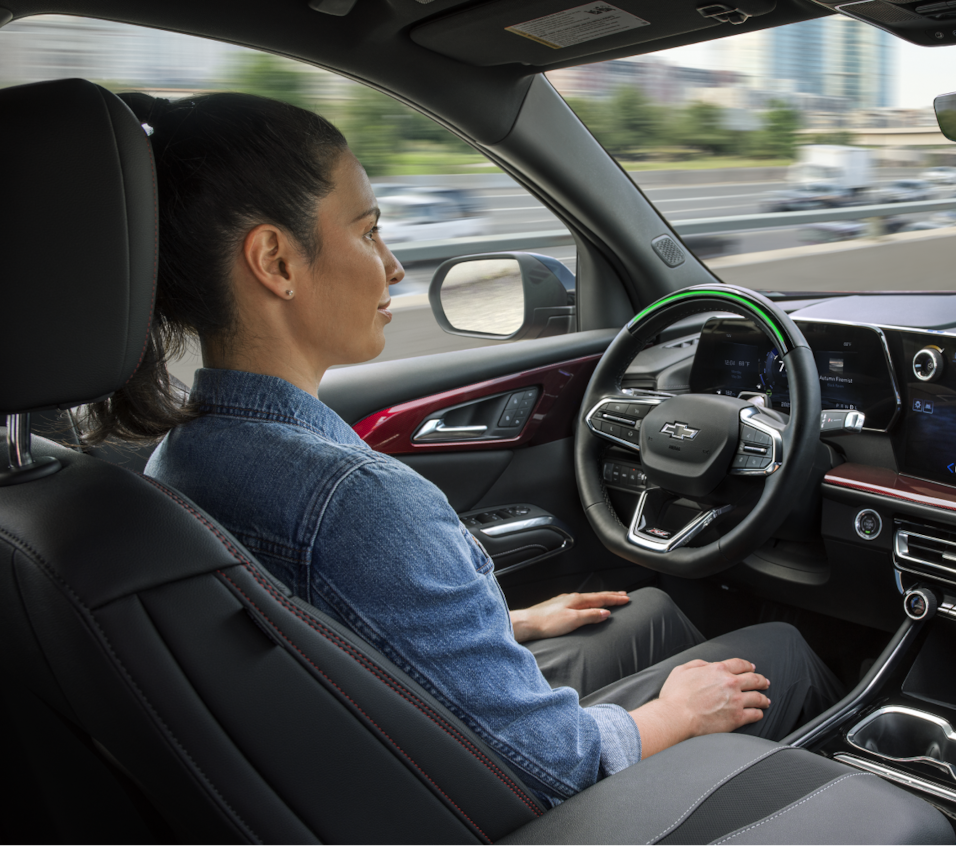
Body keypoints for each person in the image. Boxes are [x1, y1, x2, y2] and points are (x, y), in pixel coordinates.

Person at [84, 91, 844, 807]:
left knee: (644, 612)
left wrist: (503, 624)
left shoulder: (180, 457)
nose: (393, 266)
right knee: (779, 650)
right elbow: (558, 764)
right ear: (276, 262)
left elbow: (312, 642)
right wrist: (678, 715)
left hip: (367, 766)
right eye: (368, 230)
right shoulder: (356, 498)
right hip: (499, 803)